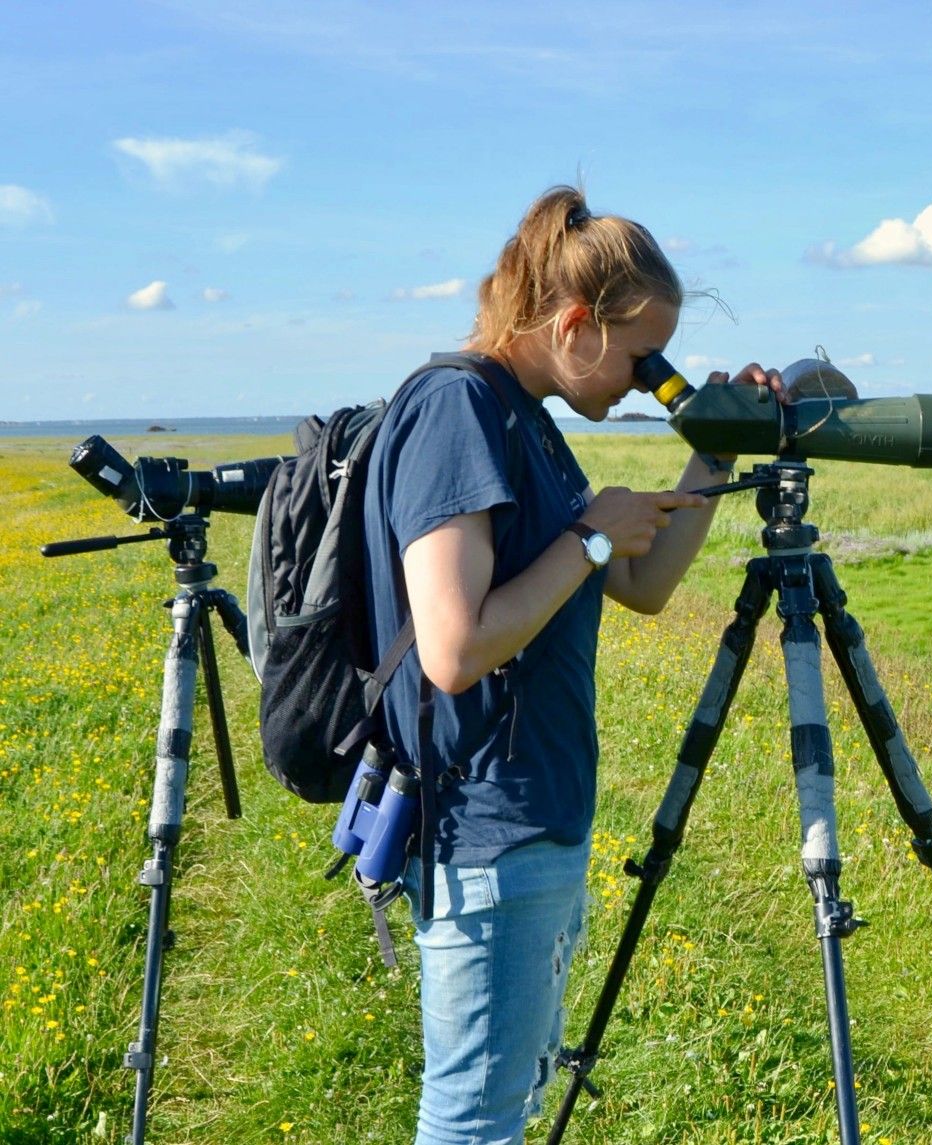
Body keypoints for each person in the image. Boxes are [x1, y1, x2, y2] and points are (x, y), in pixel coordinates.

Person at [362, 184, 781, 1144]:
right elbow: (454, 647)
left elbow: (644, 587)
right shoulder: (459, 408)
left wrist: (710, 457)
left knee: (495, 1108)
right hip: (488, 828)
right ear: (577, 323)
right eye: (642, 356)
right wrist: (590, 539)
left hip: (531, 816)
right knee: (474, 1119)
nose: (647, 380)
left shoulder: (526, 419)